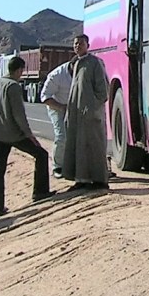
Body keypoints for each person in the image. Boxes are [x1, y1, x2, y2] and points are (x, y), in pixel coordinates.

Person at [0, 56, 53, 216]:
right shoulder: (13, 87)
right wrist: (30, 136)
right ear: (18, 70)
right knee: (41, 155)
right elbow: (19, 116)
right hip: (14, 134)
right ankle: (40, 192)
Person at [61, 34, 110, 191]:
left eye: (81, 44)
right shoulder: (75, 64)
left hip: (91, 116)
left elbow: (103, 92)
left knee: (94, 148)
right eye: (75, 44)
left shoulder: (95, 63)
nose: (77, 46)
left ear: (87, 45)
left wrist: (92, 108)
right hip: (77, 115)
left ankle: (99, 181)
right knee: (78, 147)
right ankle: (81, 180)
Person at [40, 60, 72, 178]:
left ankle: (72, 164)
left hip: (72, 107)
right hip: (56, 106)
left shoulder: (82, 73)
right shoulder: (57, 75)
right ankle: (57, 166)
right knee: (61, 136)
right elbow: (45, 97)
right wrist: (61, 108)